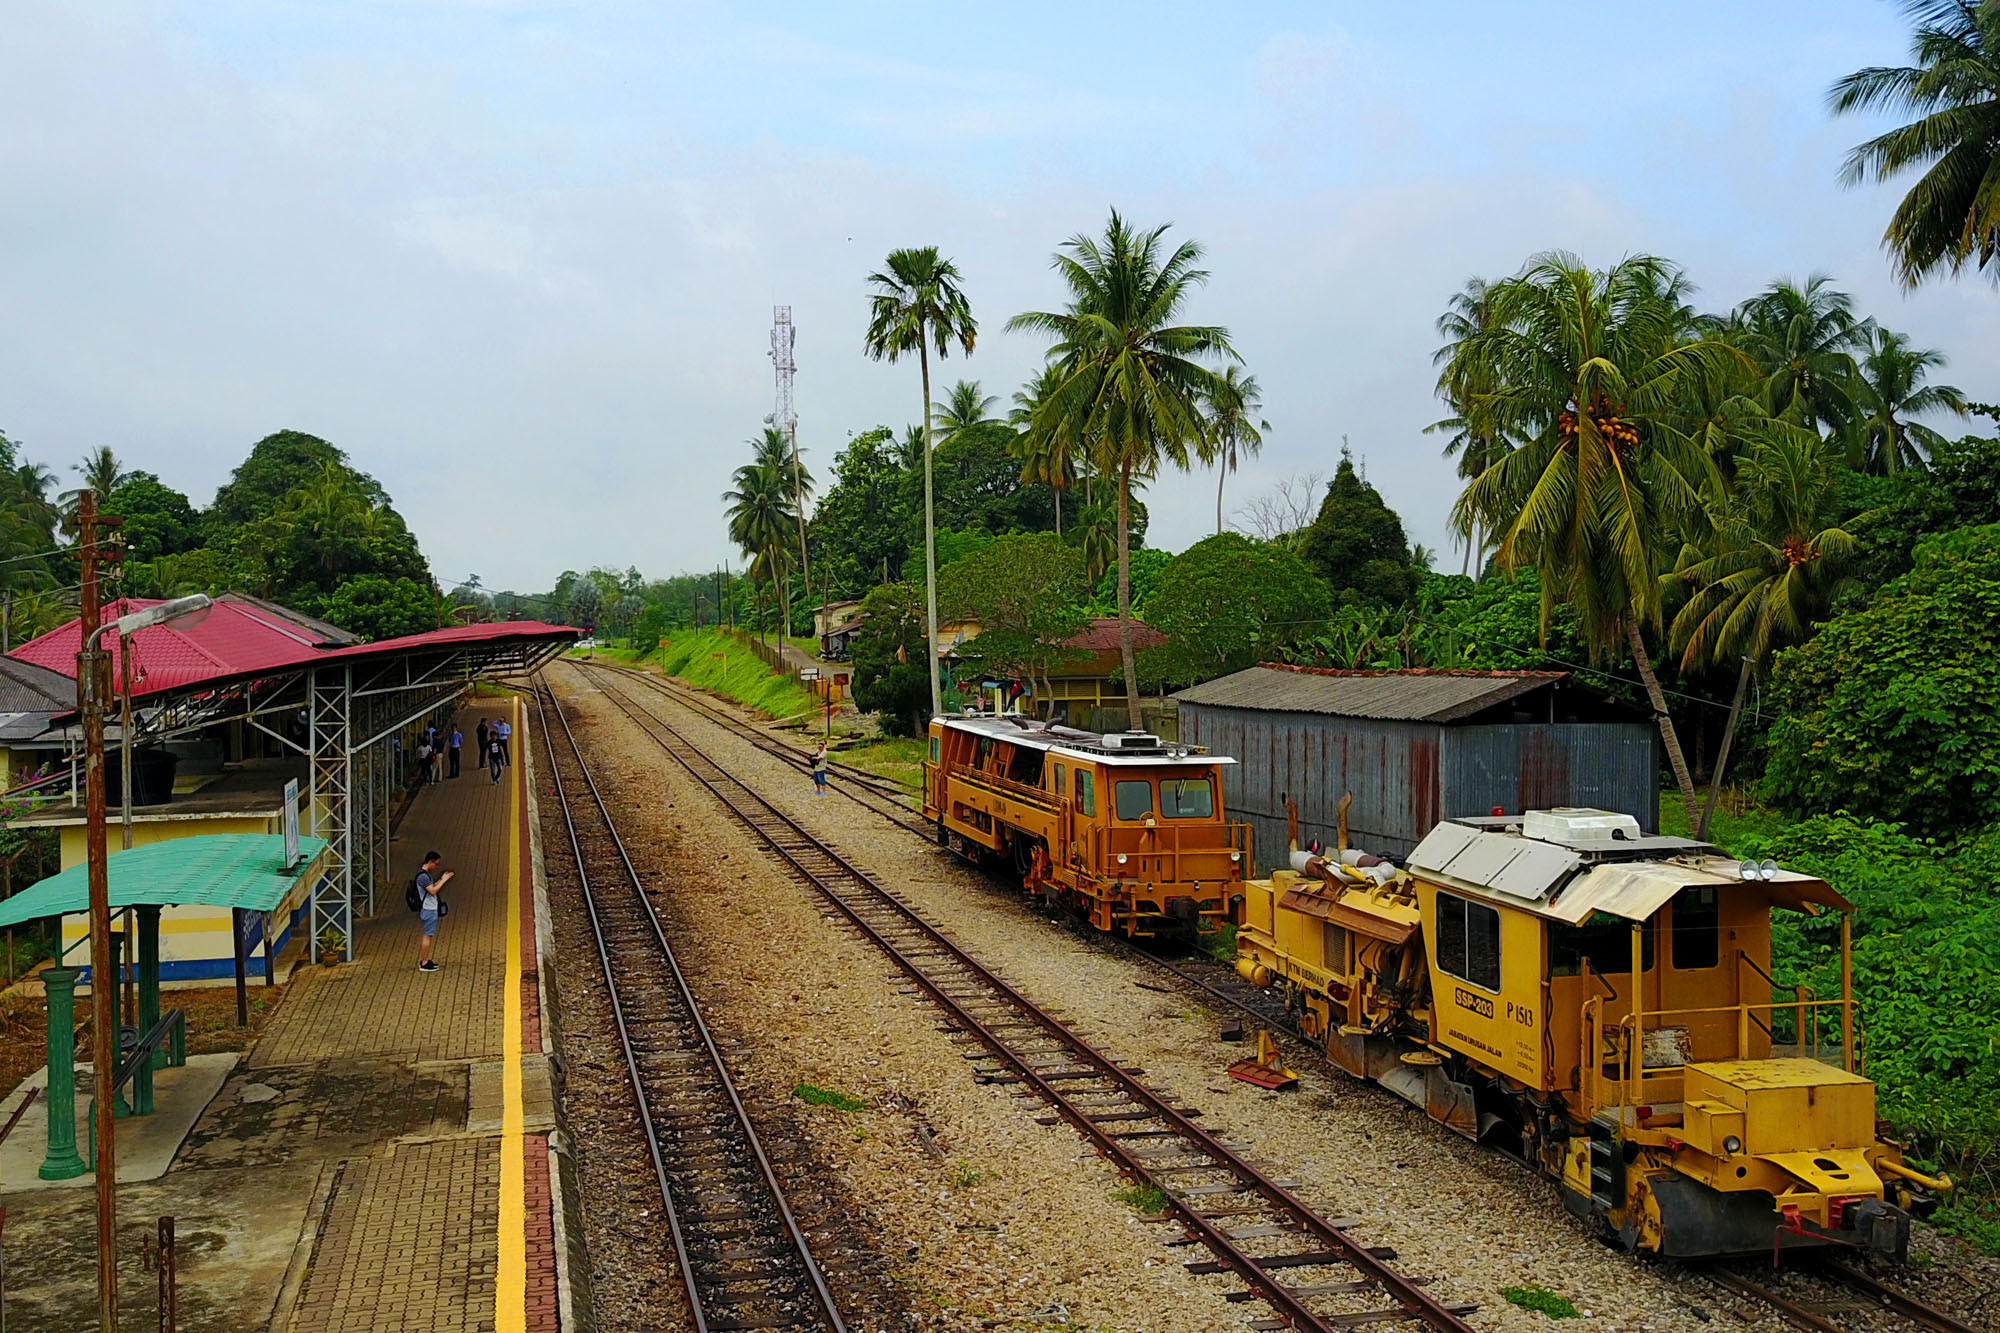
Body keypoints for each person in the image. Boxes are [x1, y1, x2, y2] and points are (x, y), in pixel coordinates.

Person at [416, 851, 454, 972]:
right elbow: (432, 891)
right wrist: (444, 880)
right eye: (436, 864)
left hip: (429, 908)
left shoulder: (426, 875)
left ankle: (426, 960)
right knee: (428, 935)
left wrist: (441, 879)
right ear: (430, 861)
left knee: (429, 934)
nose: (436, 866)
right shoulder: (423, 877)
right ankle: (424, 962)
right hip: (428, 909)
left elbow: (432, 888)